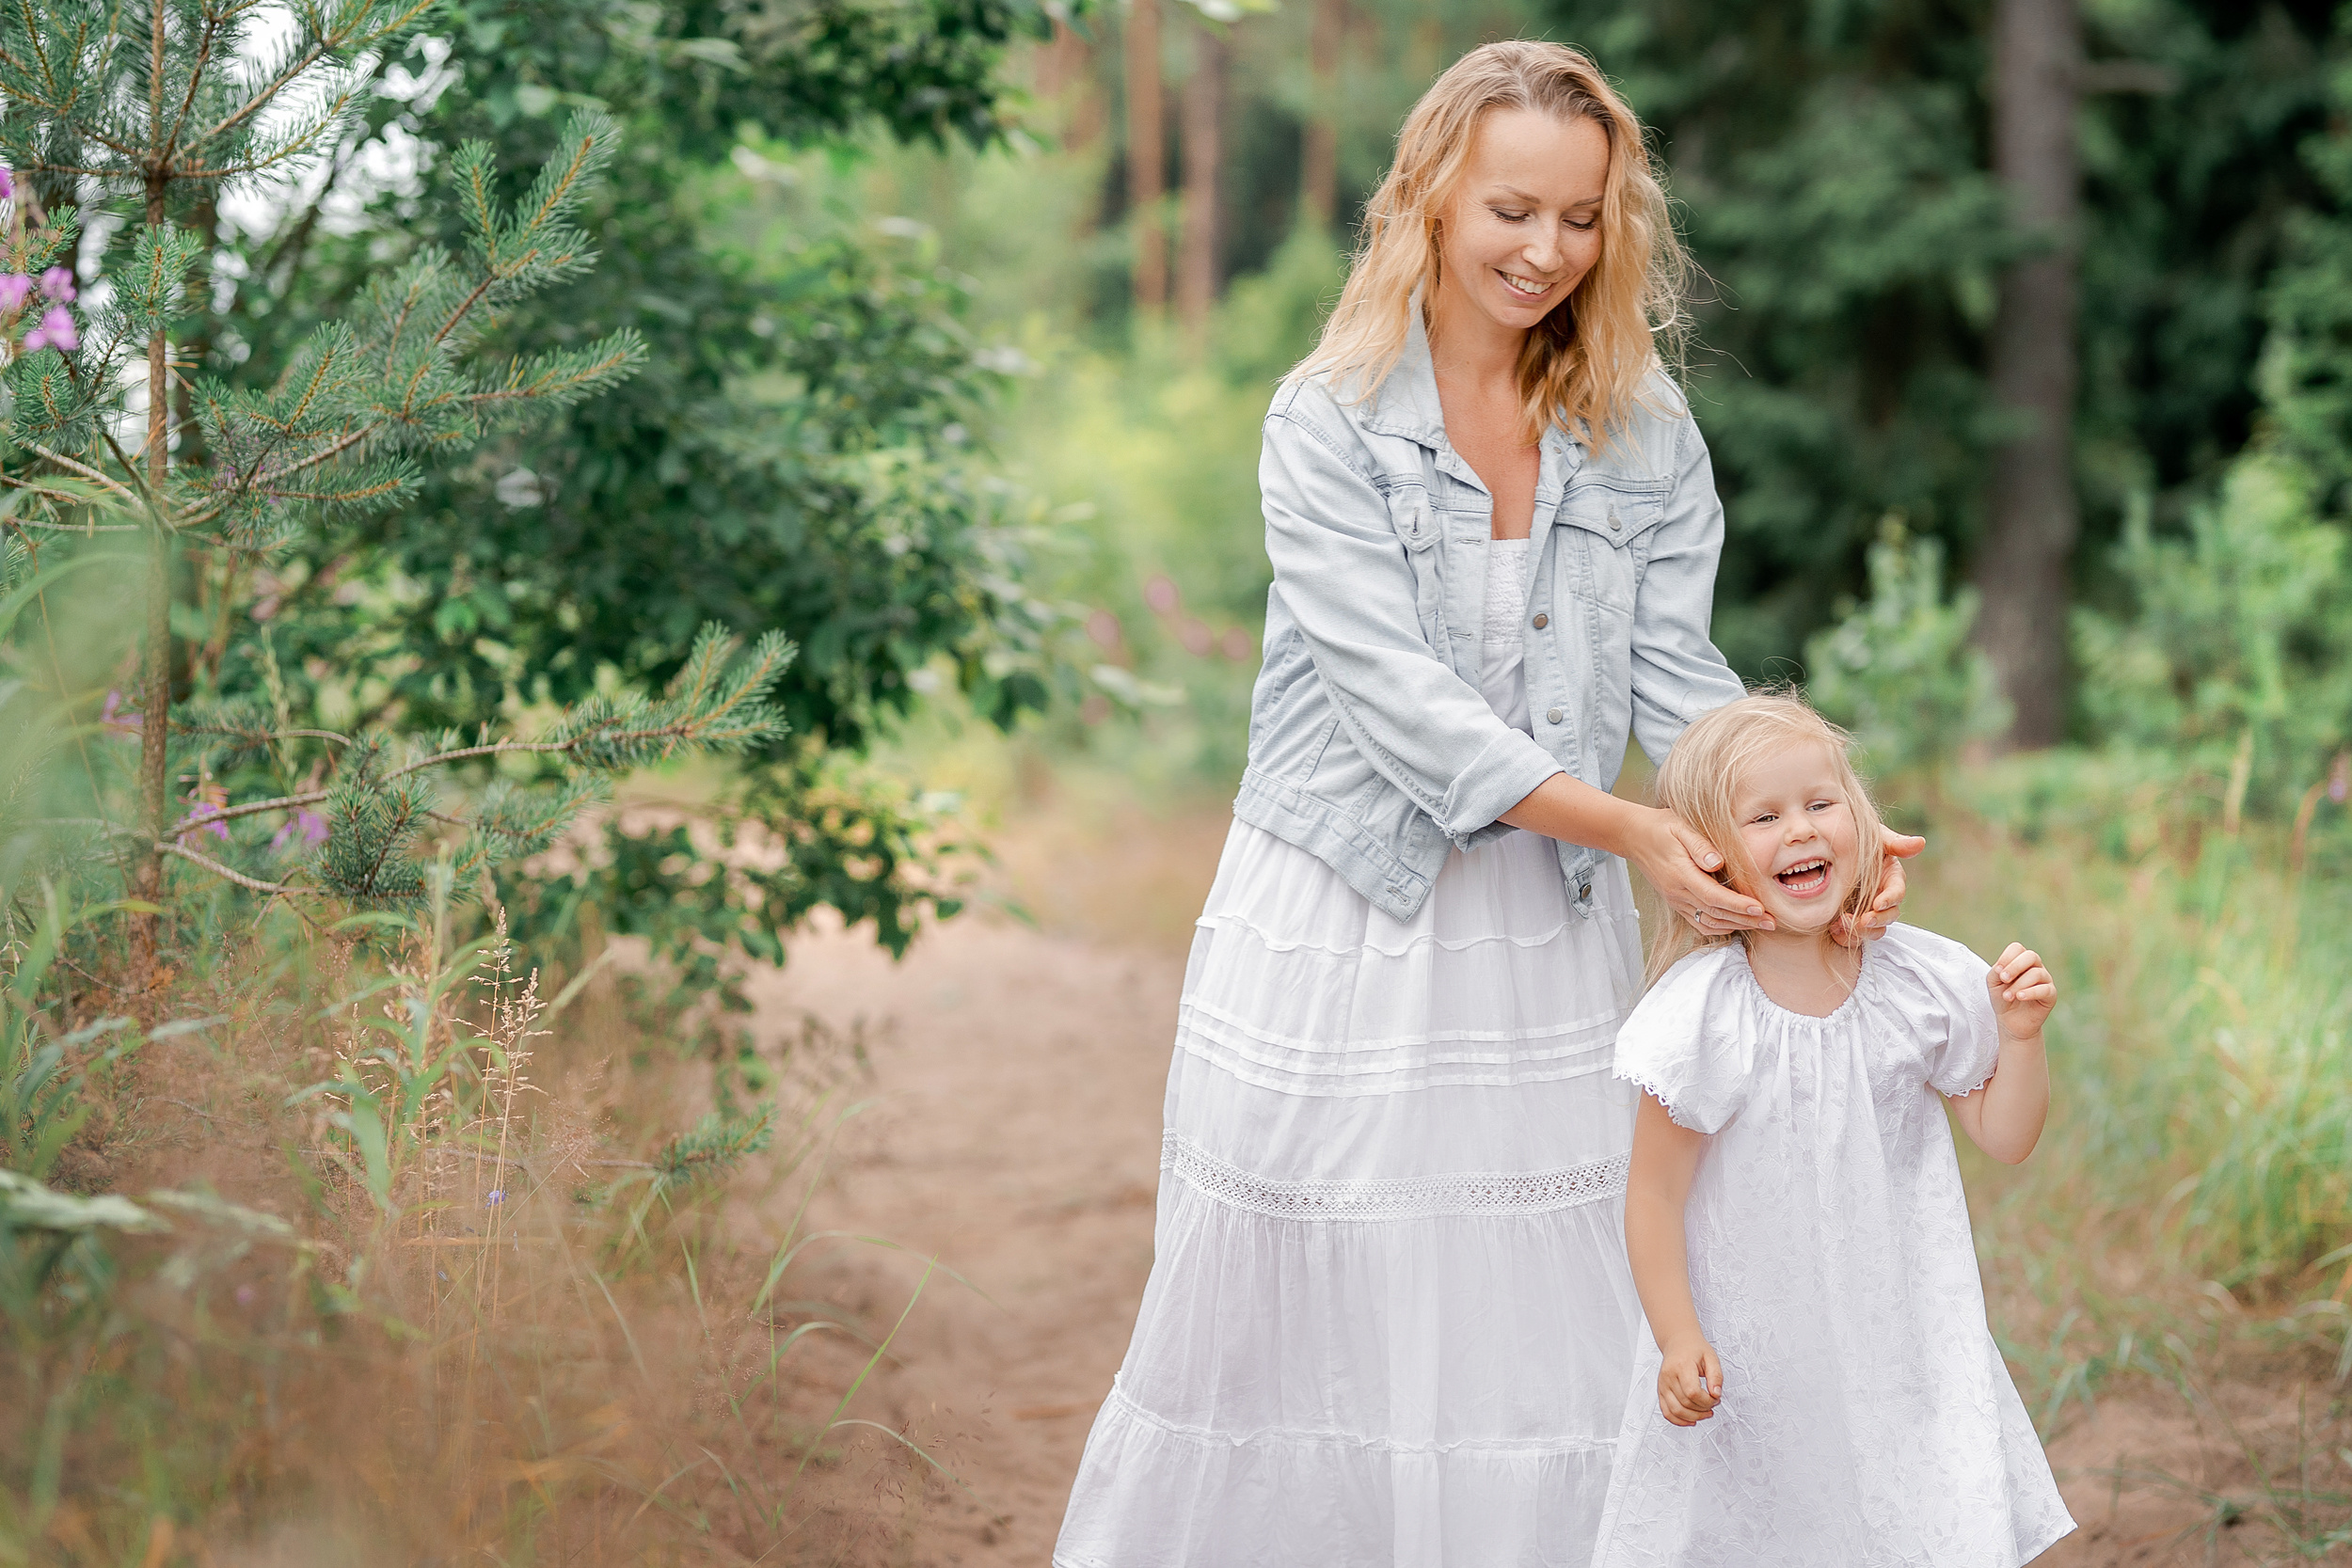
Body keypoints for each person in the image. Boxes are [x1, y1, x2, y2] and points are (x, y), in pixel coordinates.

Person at [1055, 40, 1918, 1567]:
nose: (1546, 251)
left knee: (1549, 1296)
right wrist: (1636, 829)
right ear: (1431, 199)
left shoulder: (1644, 429)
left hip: (1545, 924)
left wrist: (1813, 831)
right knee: (1311, 1285)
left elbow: (1685, 685)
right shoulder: (1325, 419)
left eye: (1582, 217)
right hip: (1345, 909)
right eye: (1514, 210)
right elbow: (1402, 705)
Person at [1594, 693, 2074, 1567]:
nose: (1801, 830)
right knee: (1780, 1520)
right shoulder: (1704, 1014)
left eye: (1821, 802)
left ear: (1859, 816)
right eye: (1764, 817)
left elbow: (2006, 1137)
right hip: (1759, 1346)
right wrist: (1677, 1335)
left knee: (1911, 1512)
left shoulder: (1914, 980)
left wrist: (2020, 1038)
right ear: (1708, 858)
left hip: (1901, 1331)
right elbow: (1654, 1195)